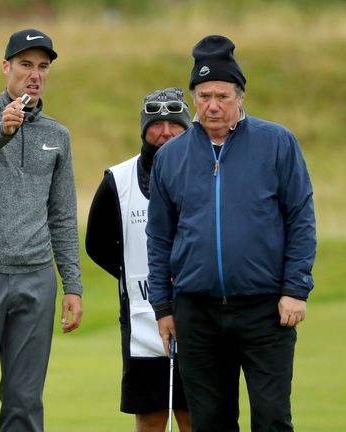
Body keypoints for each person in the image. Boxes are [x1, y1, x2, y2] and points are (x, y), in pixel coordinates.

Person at [146, 35, 317, 432]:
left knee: (272, 419)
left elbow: (300, 218)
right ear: (194, 97)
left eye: (222, 96)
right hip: (197, 312)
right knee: (210, 422)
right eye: (204, 96)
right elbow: (159, 237)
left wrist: (295, 289)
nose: (213, 106)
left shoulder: (277, 143)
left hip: (266, 310)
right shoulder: (170, 157)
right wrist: (163, 307)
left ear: (240, 97)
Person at [0, 28, 83, 432]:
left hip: (36, 279)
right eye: (26, 64)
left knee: (25, 403)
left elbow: (62, 215)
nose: (34, 75)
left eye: (42, 67)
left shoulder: (57, 136)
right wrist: (4, 129)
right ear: (6, 67)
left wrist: (72, 285)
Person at [86, 87, 192, 432]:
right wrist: (136, 277)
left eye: (174, 124)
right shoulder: (118, 180)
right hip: (142, 318)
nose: (165, 132)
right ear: (144, 129)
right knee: (150, 419)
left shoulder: (211, 171)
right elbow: (97, 244)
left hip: (200, 314)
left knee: (194, 417)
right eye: (156, 124)